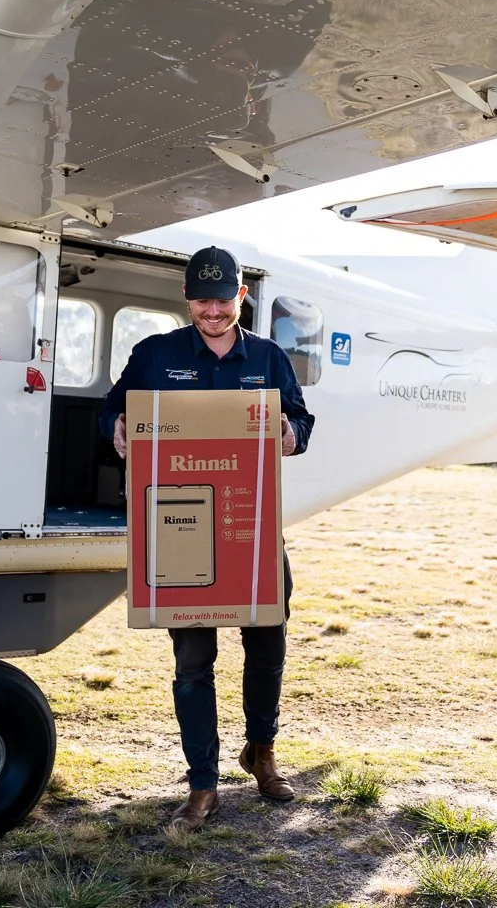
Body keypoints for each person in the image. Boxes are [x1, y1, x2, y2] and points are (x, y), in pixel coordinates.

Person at [99, 245, 315, 831]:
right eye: (203, 300)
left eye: (223, 300)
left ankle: (261, 753)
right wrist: (116, 425)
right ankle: (202, 784)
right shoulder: (155, 354)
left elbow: (301, 420)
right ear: (188, 298)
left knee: (267, 645)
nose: (213, 311)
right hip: (182, 530)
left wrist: (292, 434)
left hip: (251, 525)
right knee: (193, 661)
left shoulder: (269, 358)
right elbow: (115, 408)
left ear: (240, 297)